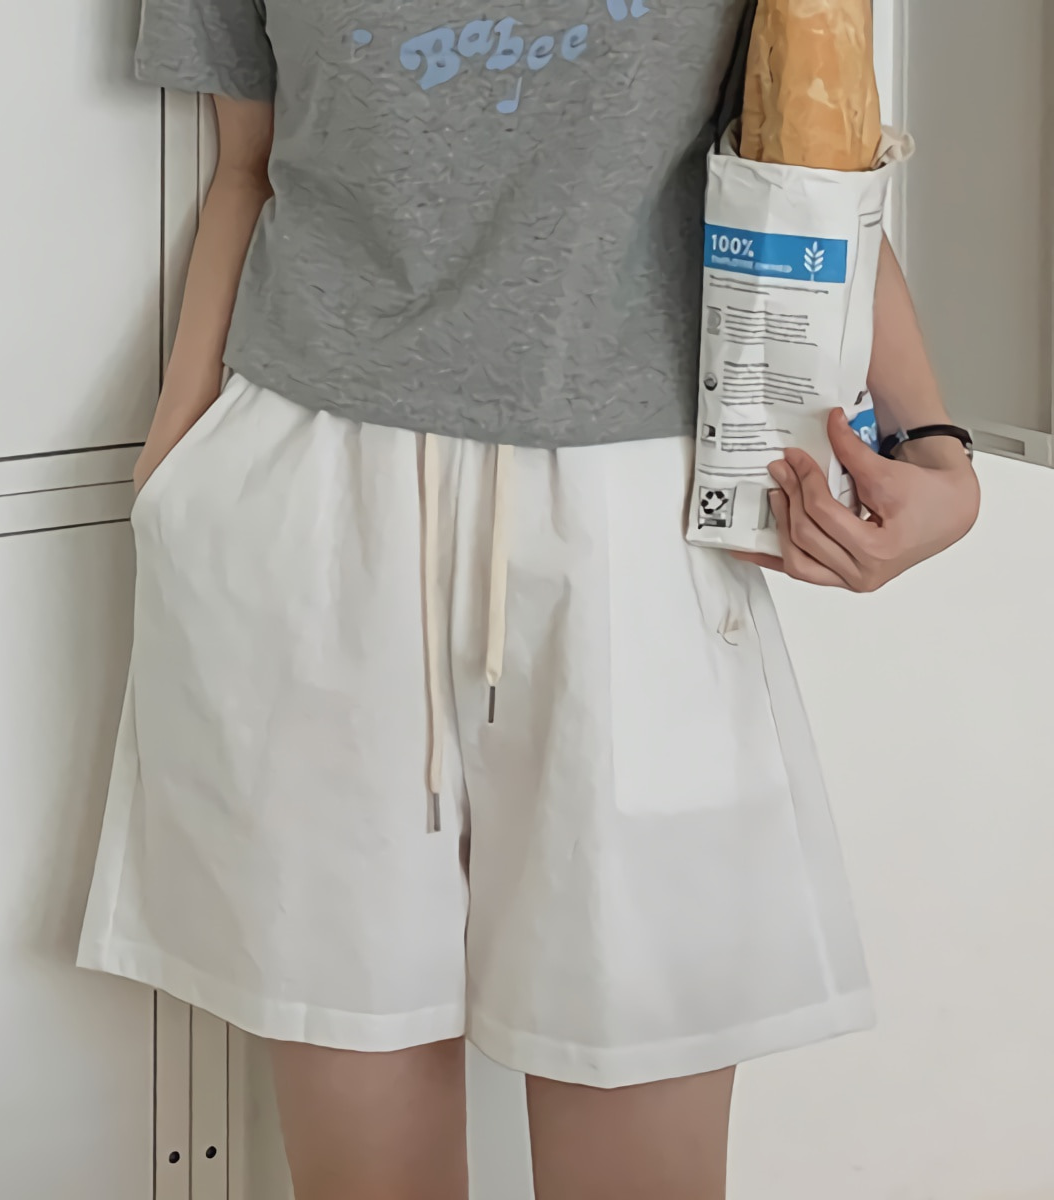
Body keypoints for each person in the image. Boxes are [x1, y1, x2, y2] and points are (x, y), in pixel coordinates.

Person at [78, 1, 980, 1196]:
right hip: (316, 509)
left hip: (635, 526)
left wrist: (935, 449)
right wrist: (175, 462)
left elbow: (802, 161)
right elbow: (247, 164)